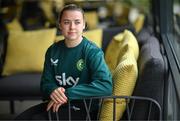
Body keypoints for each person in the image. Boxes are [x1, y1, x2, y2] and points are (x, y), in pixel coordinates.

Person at [15, 4, 112, 120]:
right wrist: (52, 90)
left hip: (84, 108)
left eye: (77, 22)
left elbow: (105, 86)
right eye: (66, 22)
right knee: (21, 118)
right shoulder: (52, 51)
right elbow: (45, 84)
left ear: (84, 25)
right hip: (57, 103)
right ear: (60, 25)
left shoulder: (92, 52)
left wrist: (67, 94)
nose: (72, 27)